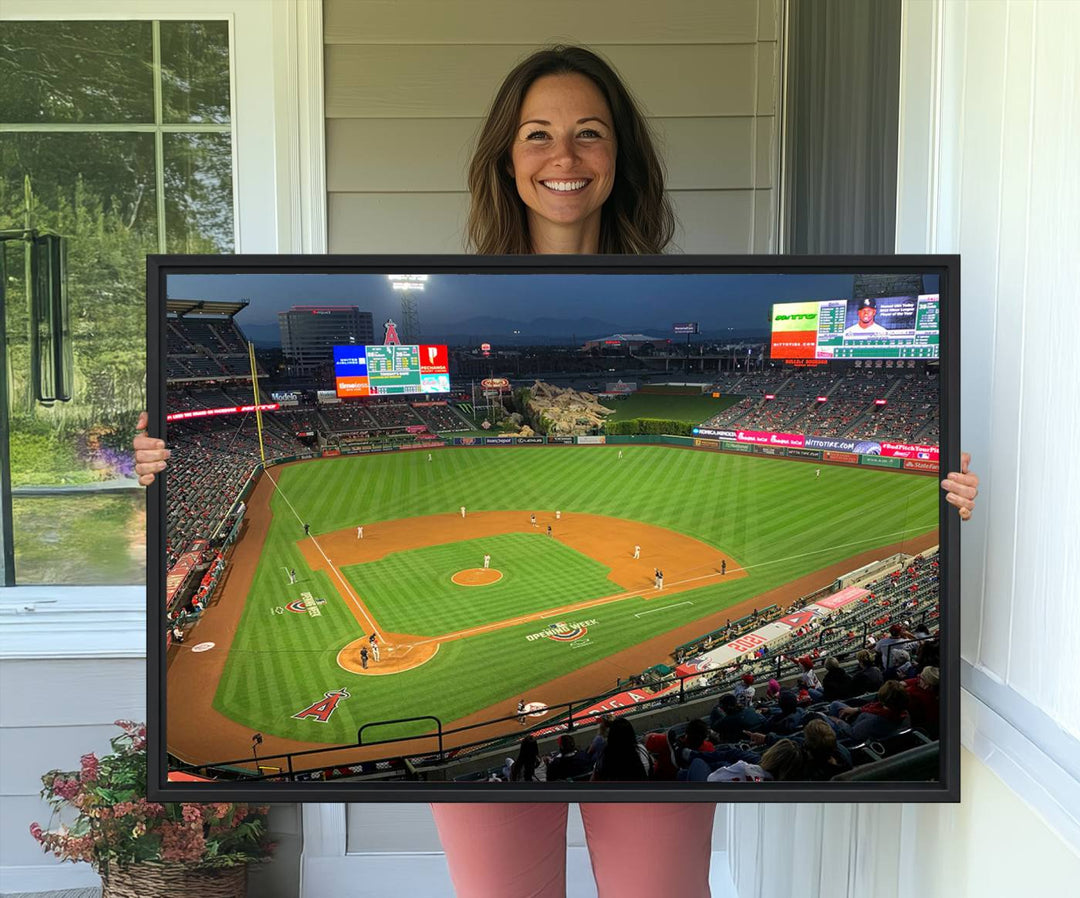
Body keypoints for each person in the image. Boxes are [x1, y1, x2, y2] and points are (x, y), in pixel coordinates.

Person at [132, 43, 979, 898]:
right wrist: (156, 469)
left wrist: (952, 496)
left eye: (590, 134)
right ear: (506, 157)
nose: (563, 157)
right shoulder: (459, 280)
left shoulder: (689, 282)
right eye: (537, 134)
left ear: (621, 157)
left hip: (639, 760)